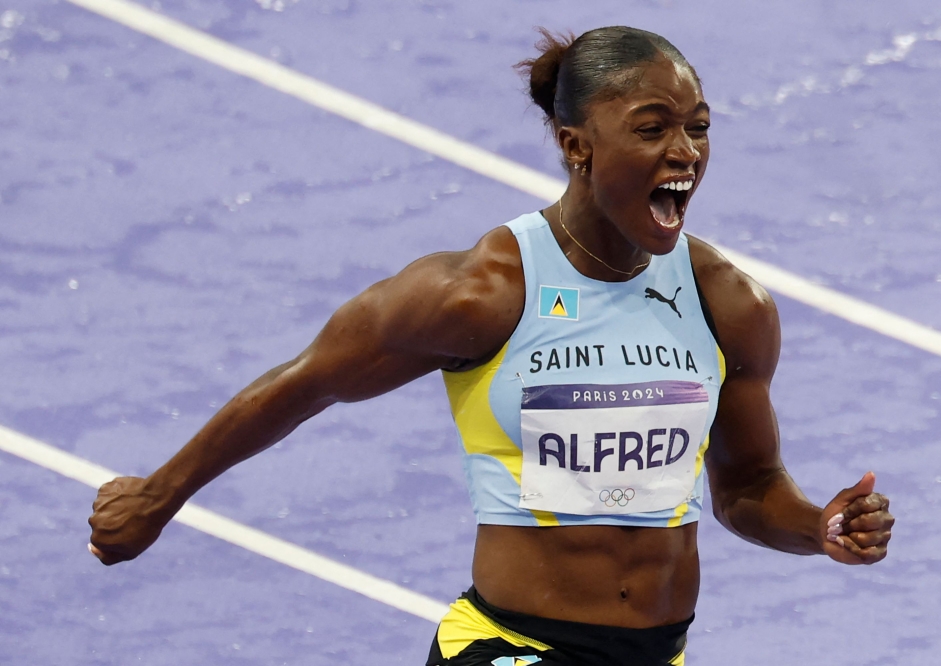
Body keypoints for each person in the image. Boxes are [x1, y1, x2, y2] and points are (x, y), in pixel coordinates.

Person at [88, 26, 894, 666]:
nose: (685, 152)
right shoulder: (482, 294)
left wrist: (816, 528)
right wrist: (159, 497)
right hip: (510, 649)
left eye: (698, 129)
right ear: (577, 146)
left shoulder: (728, 305)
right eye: (652, 130)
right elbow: (310, 382)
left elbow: (748, 486)